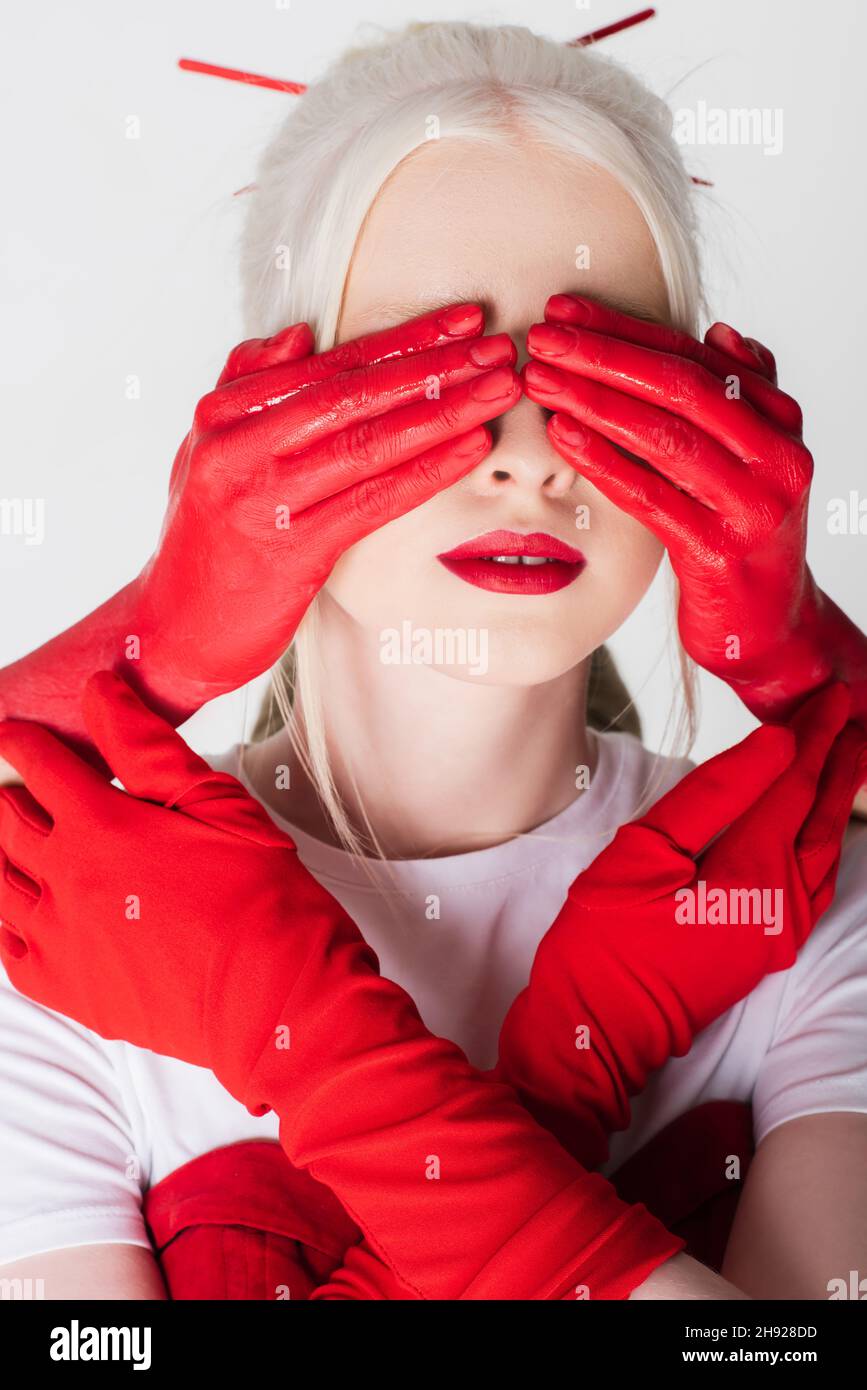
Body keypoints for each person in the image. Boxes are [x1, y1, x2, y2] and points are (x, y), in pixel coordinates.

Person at [1, 20, 865, 1300]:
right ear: (258, 407)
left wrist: (313, 1049)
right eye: (430, 374)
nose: (530, 458)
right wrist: (152, 637)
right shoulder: (70, 927)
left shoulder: (804, 900)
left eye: (605, 370)